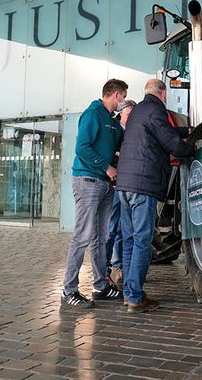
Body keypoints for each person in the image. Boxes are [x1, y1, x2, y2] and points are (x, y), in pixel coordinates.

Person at [115, 79, 195, 313]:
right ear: (163, 93)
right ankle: (136, 296)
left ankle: (129, 293)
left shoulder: (139, 110)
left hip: (125, 185)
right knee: (142, 240)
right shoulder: (156, 110)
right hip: (143, 185)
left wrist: (188, 131)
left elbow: (163, 132)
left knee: (130, 239)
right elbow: (171, 142)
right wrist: (194, 148)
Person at [61, 79, 129, 309]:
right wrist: (107, 167)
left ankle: (101, 285)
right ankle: (68, 290)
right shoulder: (93, 114)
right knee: (82, 237)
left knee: (101, 237)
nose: (123, 103)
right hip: (88, 180)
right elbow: (82, 148)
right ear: (116, 95)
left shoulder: (111, 121)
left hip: (105, 184)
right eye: (123, 98)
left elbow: (121, 144)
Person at [105, 99, 137, 291]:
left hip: (126, 187)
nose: (130, 117)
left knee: (125, 231)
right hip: (113, 186)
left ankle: (121, 268)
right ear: (121, 115)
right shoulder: (115, 131)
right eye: (127, 114)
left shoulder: (134, 134)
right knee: (110, 230)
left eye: (133, 114)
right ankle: (104, 270)